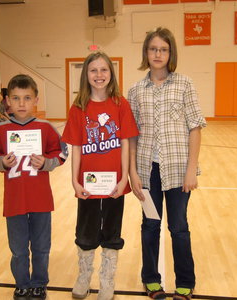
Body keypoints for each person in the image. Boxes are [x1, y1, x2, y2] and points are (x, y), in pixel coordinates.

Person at [127, 27, 206, 300]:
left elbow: (195, 128)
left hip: (177, 170)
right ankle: (151, 281)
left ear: (170, 53)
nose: (158, 54)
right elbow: (131, 135)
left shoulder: (185, 84)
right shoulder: (136, 90)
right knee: (150, 226)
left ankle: (185, 282)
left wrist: (191, 169)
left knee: (179, 227)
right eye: (153, 49)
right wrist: (133, 173)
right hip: (148, 172)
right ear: (146, 53)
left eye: (163, 49)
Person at [61, 51, 139, 300]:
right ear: (86, 74)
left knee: (112, 231)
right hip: (88, 184)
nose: (99, 75)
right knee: (85, 230)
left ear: (111, 74)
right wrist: (74, 180)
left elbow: (126, 142)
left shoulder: (120, 104)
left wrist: (124, 177)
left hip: (115, 182)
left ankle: (107, 280)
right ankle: (84, 276)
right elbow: (75, 146)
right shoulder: (78, 108)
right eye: (93, 70)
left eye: (104, 70)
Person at [0, 74, 68, 300]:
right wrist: (1, 162)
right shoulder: (1, 130)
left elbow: (61, 152)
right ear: (7, 101)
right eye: (16, 98)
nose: (22, 104)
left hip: (40, 200)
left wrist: (46, 162)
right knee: (19, 249)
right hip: (15, 201)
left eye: (27, 98)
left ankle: (39, 283)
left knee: (41, 247)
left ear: (36, 100)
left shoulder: (46, 127)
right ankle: (21, 283)